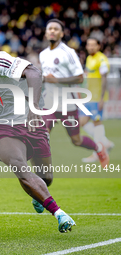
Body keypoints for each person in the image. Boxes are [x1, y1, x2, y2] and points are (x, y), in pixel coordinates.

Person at [0, 29, 75, 233]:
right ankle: (59, 213)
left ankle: (39, 195)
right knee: (18, 165)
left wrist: (35, 108)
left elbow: (34, 72)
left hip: (29, 117)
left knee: (46, 177)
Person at [39, 19, 109, 168]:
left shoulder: (68, 53)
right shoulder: (43, 54)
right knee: (41, 134)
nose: (52, 31)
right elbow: (46, 79)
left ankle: (99, 149)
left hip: (67, 104)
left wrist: (56, 80)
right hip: (49, 103)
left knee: (76, 140)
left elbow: (79, 77)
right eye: (49, 28)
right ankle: (42, 169)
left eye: (56, 29)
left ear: (61, 33)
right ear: (45, 33)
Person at [79, 37, 114, 163]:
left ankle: (97, 152)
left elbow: (104, 78)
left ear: (99, 46)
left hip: (97, 97)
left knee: (96, 122)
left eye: (93, 45)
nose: (90, 47)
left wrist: (101, 98)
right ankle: (105, 142)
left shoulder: (102, 59)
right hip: (88, 96)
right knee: (82, 122)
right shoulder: (89, 58)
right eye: (89, 45)